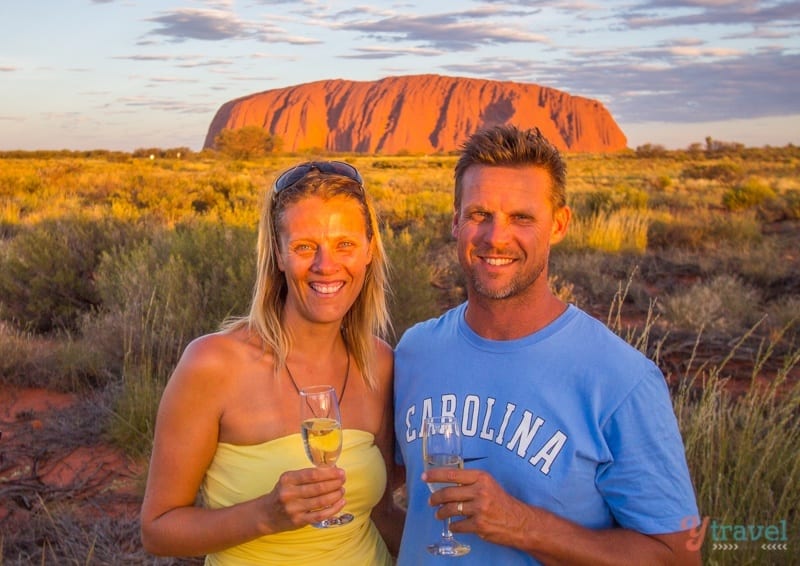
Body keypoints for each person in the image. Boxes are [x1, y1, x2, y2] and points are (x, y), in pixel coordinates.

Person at [393, 125, 701, 565]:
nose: (495, 237)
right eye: (479, 214)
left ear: (558, 224)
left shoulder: (621, 380)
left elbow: (677, 558)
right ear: (455, 220)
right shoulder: (415, 352)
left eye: (522, 217)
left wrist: (523, 525)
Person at [141, 161, 402, 565]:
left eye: (345, 244)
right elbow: (158, 530)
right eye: (304, 246)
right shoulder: (213, 364)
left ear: (369, 250)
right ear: (278, 255)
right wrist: (265, 515)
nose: (325, 265)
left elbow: (381, 515)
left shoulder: (379, 362)